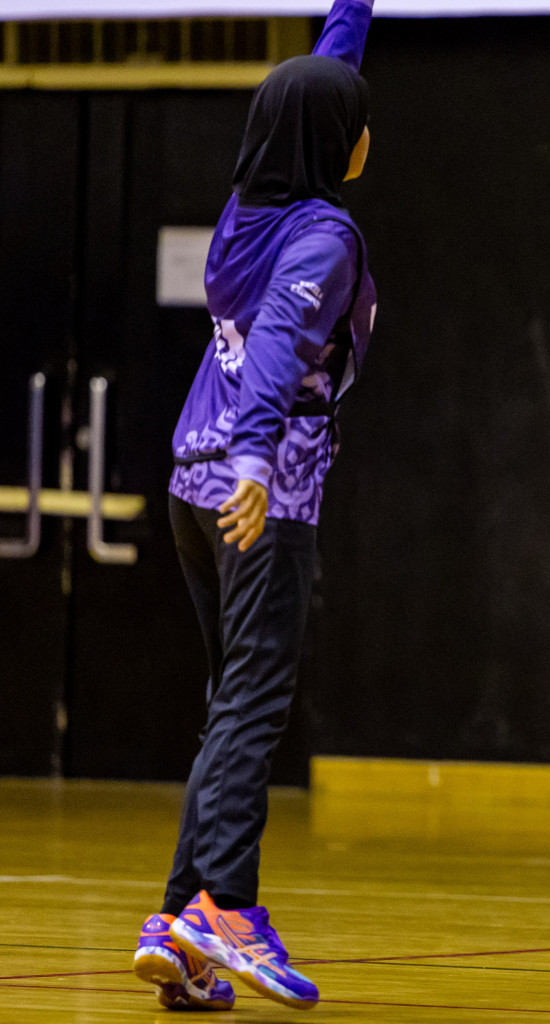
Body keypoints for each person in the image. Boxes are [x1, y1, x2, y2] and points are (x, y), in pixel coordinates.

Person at [131, 0, 377, 1011]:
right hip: (255, 491)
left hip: (196, 479)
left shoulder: (251, 205)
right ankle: (227, 910)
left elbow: (325, 74)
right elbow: (280, 342)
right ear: (341, 144)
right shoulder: (323, 236)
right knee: (253, 700)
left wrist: (351, 9)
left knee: (229, 703)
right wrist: (256, 460)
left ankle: (177, 927)